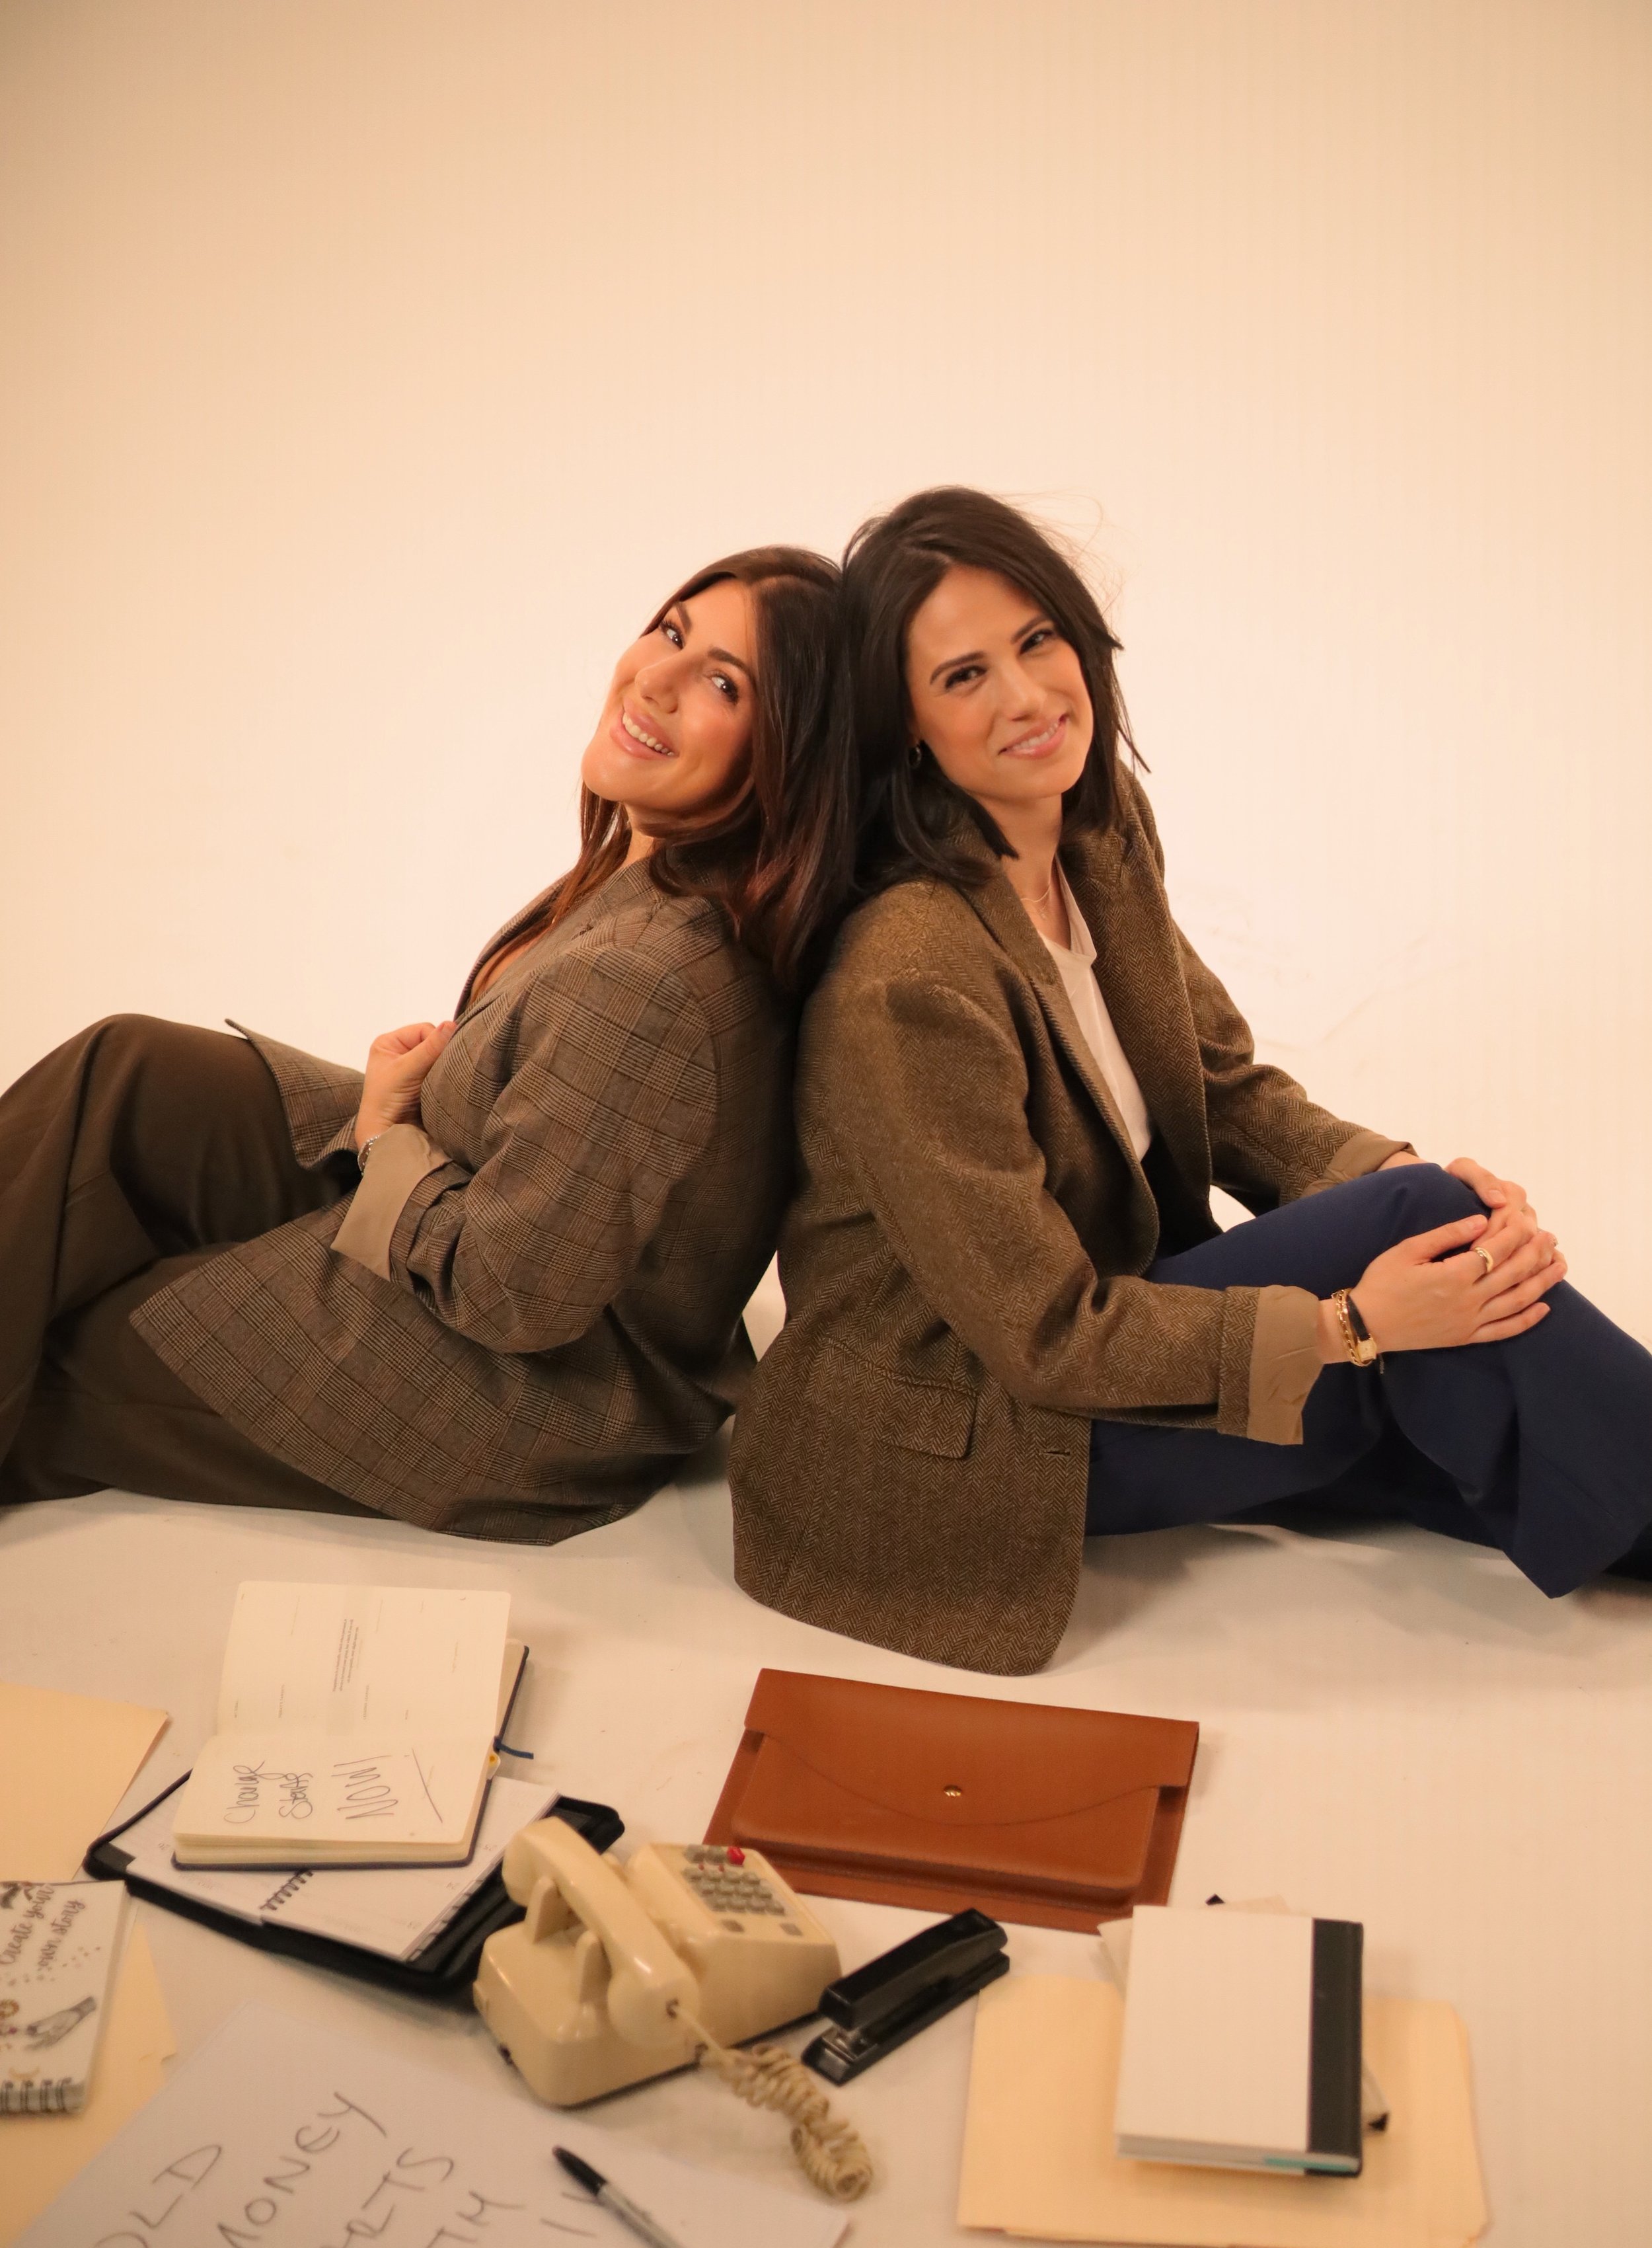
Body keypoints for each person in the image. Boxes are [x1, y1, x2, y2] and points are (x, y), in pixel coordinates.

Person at [729, 488, 1652, 1674]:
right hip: (976, 1435)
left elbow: (1219, 1085)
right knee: (1408, 1320)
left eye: (1036, 641)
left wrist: (1403, 1174)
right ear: (905, 725)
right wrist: (1357, 1319)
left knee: (1436, 1301)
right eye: (963, 678)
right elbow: (1043, 1336)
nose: (1025, 697)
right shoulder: (909, 975)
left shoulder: (1094, 837)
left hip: (1114, 1334)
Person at [1, 546, 850, 1542]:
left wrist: (383, 1137)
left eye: (721, 683)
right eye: (673, 631)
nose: (655, 678)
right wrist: (394, 1120)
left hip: (519, 1388)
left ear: (788, 752)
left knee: (58, 1343)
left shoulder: (649, 983)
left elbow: (512, 1294)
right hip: (468, 1196)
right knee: (125, 1069)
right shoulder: (654, 868)